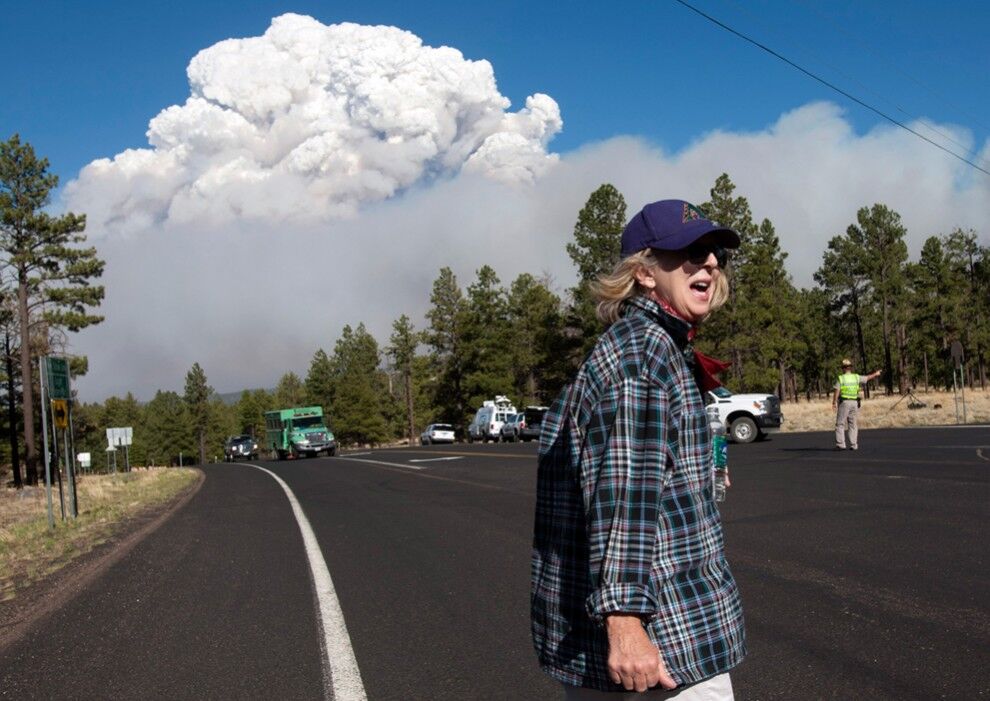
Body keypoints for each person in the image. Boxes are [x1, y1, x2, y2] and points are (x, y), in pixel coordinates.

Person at [531, 200, 746, 699]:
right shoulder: (642, 358)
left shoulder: (651, 345)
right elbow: (623, 500)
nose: (710, 263)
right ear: (645, 273)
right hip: (663, 641)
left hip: (664, 628)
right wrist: (625, 626)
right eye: (691, 252)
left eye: (713, 252)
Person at [832, 359, 882, 450]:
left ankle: (841, 444)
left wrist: (834, 402)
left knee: (840, 423)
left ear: (843, 368)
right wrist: (876, 374)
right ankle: (854, 444)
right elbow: (867, 378)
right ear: (850, 368)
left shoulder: (841, 378)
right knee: (853, 424)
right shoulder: (856, 377)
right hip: (854, 403)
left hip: (845, 402)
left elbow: (837, 391)